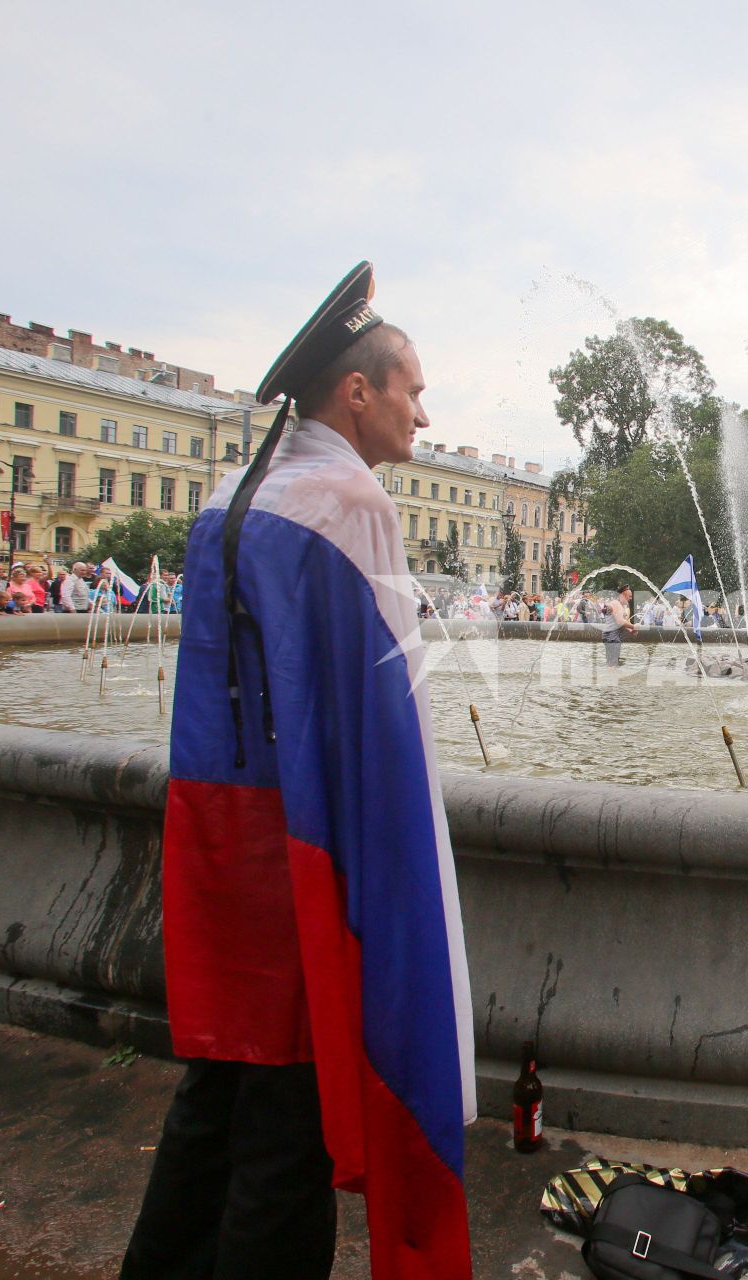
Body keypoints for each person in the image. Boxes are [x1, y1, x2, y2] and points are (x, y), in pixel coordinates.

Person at [121, 264, 475, 1279]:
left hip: (220, 842)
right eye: (411, 386)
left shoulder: (235, 494)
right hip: (301, 853)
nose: (422, 408)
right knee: (286, 1116)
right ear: (355, 392)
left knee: (218, 1090)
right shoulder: (347, 499)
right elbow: (381, 723)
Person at [601, 584, 638, 666]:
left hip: (613, 636)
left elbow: (621, 623)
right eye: (629, 596)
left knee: (613, 663)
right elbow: (620, 621)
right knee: (612, 664)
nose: (630, 599)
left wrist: (631, 630)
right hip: (611, 636)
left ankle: (612, 677)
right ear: (622, 595)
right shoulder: (616, 603)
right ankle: (611, 677)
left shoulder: (619, 605)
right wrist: (633, 626)